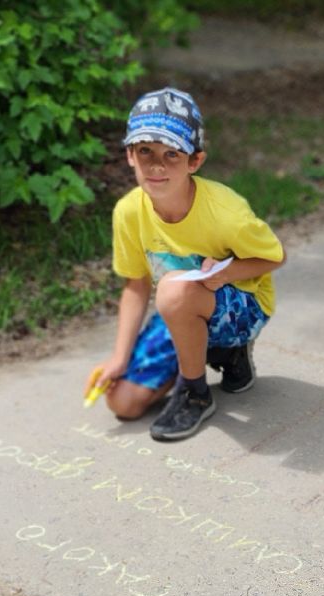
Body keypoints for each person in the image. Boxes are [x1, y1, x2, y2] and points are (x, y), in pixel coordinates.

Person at [84, 87, 286, 441]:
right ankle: (198, 347)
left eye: (172, 154)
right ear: (130, 155)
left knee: (175, 291)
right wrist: (119, 357)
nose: (156, 164)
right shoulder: (129, 211)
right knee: (123, 402)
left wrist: (224, 273)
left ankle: (197, 390)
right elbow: (136, 285)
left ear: (195, 161)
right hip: (179, 306)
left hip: (239, 305)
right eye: (145, 150)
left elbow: (274, 256)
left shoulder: (225, 213)